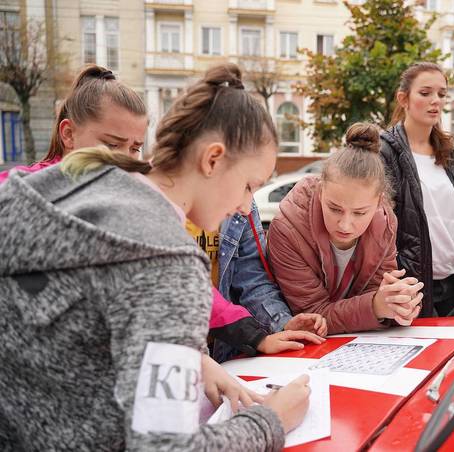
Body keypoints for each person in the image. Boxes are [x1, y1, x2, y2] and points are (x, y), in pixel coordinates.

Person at [0, 64, 309, 450]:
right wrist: (270, 420)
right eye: (249, 186)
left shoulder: (62, 188)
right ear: (213, 159)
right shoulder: (167, 260)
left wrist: (194, 357)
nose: (247, 206)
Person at [267, 123, 423, 335]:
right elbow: (312, 316)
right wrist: (376, 306)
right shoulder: (288, 229)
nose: (345, 224)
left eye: (360, 213)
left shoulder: (385, 222)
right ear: (320, 191)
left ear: (379, 203)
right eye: (334, 208)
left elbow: (376, 291)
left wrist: (398, 302)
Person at [380, 62, 454, 318]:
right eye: (425, 93)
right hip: (412, 284)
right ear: (403, 98)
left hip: (453, 283)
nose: (435, 101)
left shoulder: (447, 152)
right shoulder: (386, 151)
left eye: (441, 94)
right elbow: (380, 228)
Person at [209, 202, 328, 363]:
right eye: (248, 186)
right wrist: (256, 338)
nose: (246, 208)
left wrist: (281, 324)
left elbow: (251, 278)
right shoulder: (168, 221)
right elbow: (198, 294)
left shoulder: (243, 203)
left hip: (222, 351)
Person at [0, 64, 147, 183]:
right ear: (69, 134)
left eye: (135, 149)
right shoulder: (16, 188)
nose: (125, 161)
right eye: (112, 145)